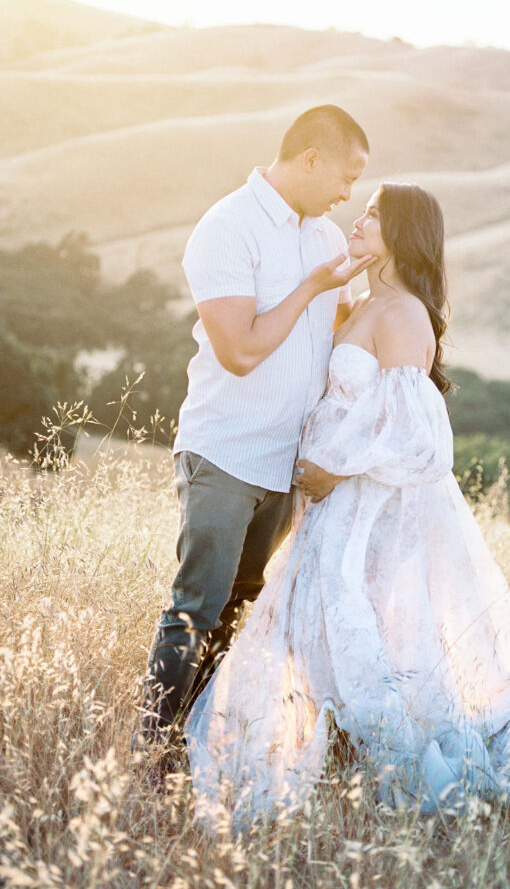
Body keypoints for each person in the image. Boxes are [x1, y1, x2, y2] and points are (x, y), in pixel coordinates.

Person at [184, 183, 510, 832]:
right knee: (326, 625)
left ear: (401, 233)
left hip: (367, 504)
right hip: (333, 507)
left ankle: (377, 747)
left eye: (374, 214)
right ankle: (335, 742)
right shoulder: (367, 303)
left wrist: (337, 467)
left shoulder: (403, 313)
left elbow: (418, 433)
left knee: (363, 624)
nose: (358, 219)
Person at [134, 105, 374, 760]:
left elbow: (337, 332)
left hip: (288, 462)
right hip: (226, 451)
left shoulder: (326, 237)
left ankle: (195, 745)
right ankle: (149, 752)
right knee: (196, 607)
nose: (347, 193)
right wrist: (310, 288)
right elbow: (239, 351)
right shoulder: (227, 227)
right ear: (311, 159)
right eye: (347, 176)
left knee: (242, 604)